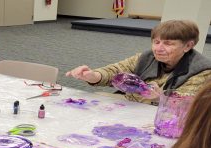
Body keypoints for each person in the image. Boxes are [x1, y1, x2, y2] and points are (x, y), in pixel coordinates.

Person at [66, 20, 211, 104]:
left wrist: (161, 96)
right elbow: (116, 70)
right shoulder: (146, 57)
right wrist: (93, 76)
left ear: (188, 46)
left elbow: (187, 103)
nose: (158, 48)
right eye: (156, 42)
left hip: (160, 116)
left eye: (168, 43)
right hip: (132, 105)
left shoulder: (202, 70)